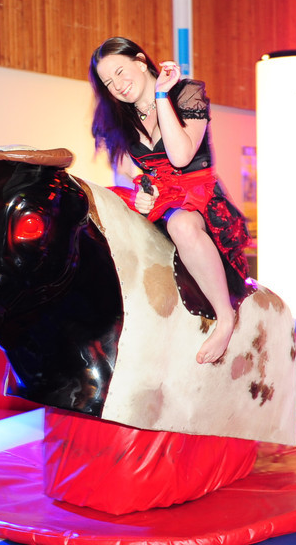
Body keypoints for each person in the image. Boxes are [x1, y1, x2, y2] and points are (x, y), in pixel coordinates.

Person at [89, 37, 249, 364]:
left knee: (182, 225)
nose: (117, 86)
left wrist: (161, 95)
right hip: (163, 202)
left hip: (199, 197)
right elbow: (132, 173)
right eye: (107, 83)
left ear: (140, 61)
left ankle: (225, 318)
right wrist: (143, 192)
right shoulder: (117, 119)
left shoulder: (186, 93)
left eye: (119, 72)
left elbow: (180, 155)